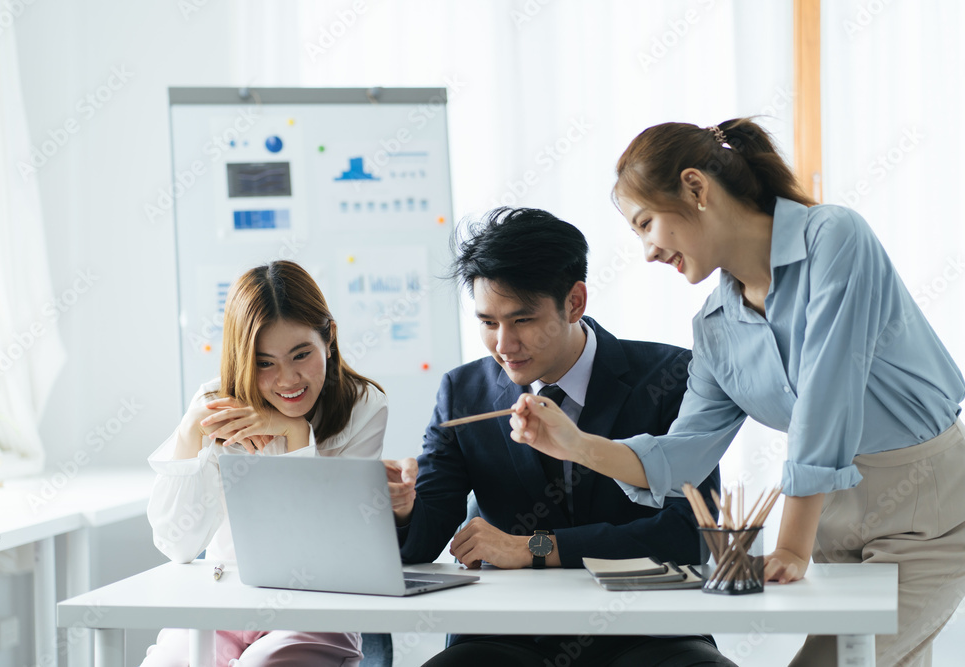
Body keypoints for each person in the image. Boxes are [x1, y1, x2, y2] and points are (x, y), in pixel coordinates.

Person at [509, 119, 965, 667]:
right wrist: (577, 444)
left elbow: (828, 396)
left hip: (928, 509)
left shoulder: (834, 238)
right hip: (833, 519)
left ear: (697, 189)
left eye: (646, 223)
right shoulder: (715, 326)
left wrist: (792, 544)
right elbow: (685, 455)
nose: (648, 253)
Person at [386, 207, 735, 666]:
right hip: (506, 635)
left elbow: (689, 533)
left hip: (649, 632)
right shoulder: (462, 391)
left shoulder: (671, 376)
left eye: (522, 320)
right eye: (488, 323)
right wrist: (404, 506)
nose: (504, 345)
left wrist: (534, 548)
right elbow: (421, 543)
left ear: (574, 302)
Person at [143, 260, 386, 667]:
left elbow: (321, 547)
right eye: (264, 363)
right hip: (224, 597)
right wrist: (190, 434)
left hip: (315, 606)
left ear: (329, 338)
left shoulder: (363, 406)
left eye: (301, 354)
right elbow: (177, 545)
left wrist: (295, 434)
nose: (287, 379)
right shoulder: (216, 405)